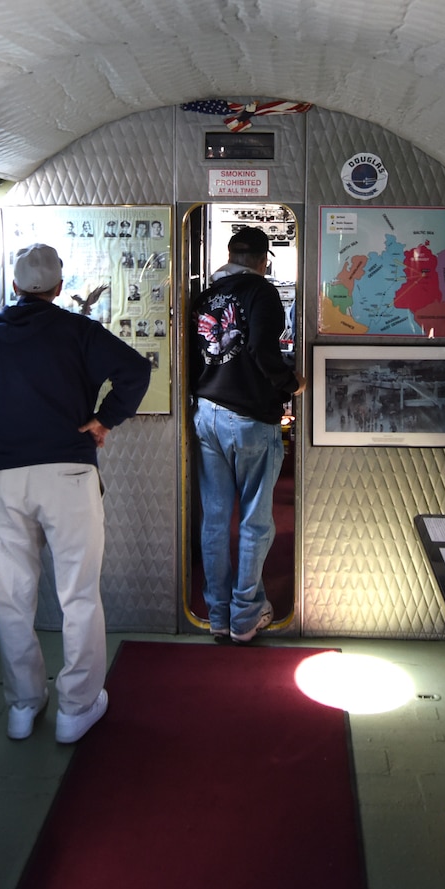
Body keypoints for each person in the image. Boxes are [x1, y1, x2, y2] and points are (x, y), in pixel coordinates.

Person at [0, 243, 151, 742]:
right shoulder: (78, 330)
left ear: (16, 285)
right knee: (79, 594)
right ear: (60, 287)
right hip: (68, 473)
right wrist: (104, 419)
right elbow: (135, 370)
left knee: (11, 597)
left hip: (3, 480)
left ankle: (23, 707)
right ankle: (76, 709)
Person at [188, 226, 303, 644]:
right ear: (263, 260)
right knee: (254, 521)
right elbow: (261, 350)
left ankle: (218, 615)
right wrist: (292, 384)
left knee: (215, 519)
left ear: (231, 254)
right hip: (251, 419)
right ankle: (245, 616)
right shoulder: (261, 293)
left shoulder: (205, 296)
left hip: (206, 415)